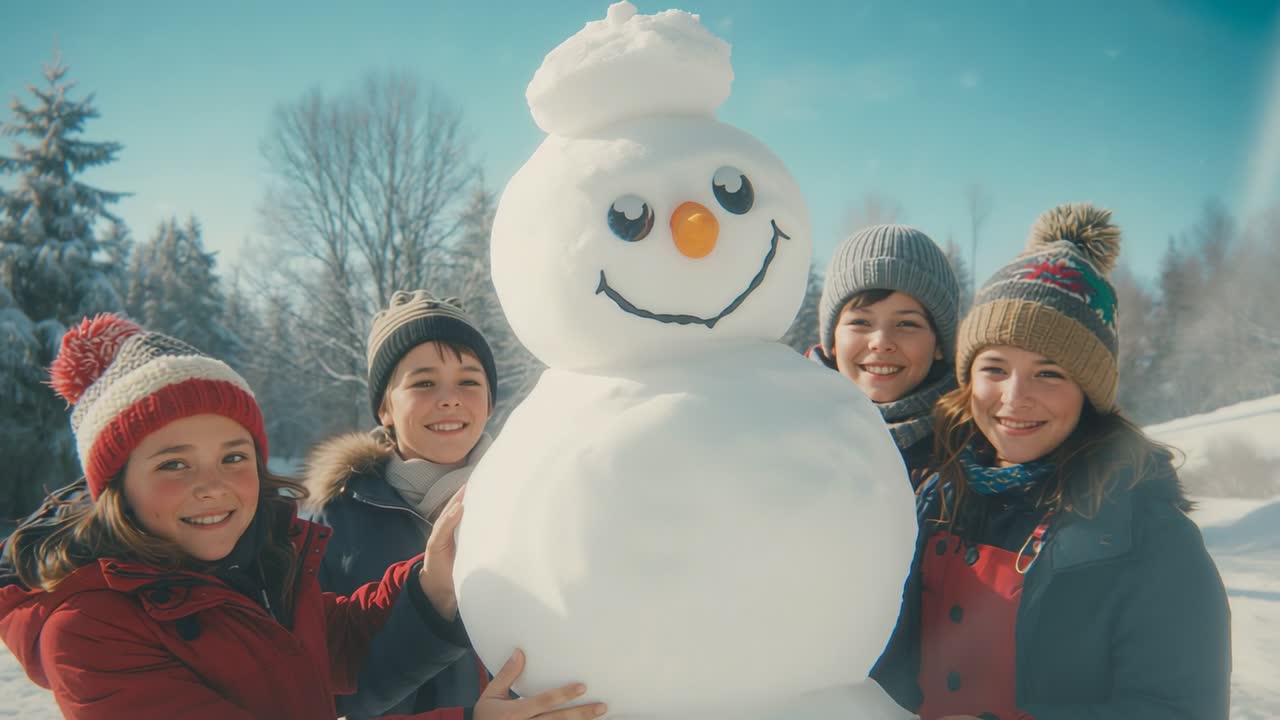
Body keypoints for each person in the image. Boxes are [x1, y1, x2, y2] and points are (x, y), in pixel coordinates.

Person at [0, 314, 603, 720]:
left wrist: (431, 582)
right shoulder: (88, 629)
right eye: (173, 464)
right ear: (117, 489)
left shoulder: (263, 569)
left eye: (234, 456)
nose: (212, 485)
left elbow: (335, 637)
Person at [870, 204, 1231, 720]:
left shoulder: (1148, 536)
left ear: (1090, 392)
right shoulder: (932, 502)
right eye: (995, 368)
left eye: (1049, 374)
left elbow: (1180, 709)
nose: (1014, 397)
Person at [302, 290, 499, 718]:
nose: (450, 398)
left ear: (489, 401)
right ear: (384, 408)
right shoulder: (335, 520)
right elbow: (327, 689)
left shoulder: (531, 497)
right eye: (423, 382)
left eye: (469, 381)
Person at [811, 224, 961, 481]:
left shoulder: (970, 450)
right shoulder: (787, 428)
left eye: (907, 324)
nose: (881, 343)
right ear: (832, 339)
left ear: (938, 345)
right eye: (860, 322)